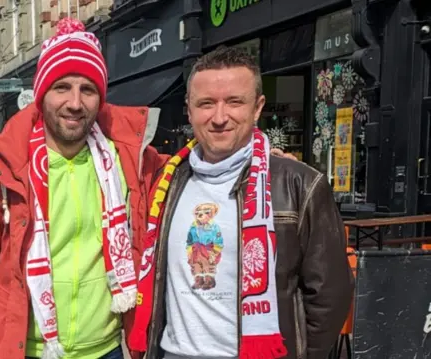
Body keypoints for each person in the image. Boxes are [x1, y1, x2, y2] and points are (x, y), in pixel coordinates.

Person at [0, 18, 170, 359]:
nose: (75, 103)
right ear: (41, 95)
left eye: (88, 89)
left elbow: (190, 171)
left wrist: (261, 158)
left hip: (107, 350)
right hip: (30, 351)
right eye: (62, 87)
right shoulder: (1, 166)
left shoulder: (128, 159)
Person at [128, 47, 354, 359]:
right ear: (189, 110)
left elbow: (331, 294)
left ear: (257, 107)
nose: (219, 117)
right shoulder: (167, 181)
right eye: (206, 103)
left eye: (234, 102)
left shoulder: (299, 184)